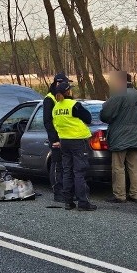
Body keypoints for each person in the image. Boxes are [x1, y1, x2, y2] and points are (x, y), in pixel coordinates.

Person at [51, 81, 97, 211]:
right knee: (79, 172)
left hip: (64, 141)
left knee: (67, 171)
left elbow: (56, 125)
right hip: (77, 141)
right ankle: (83, 202)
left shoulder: (56, 108)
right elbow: (88, 118)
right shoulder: (74, 105)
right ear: (68, 92)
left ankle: (68, 202)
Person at [100, 71, 137, 203]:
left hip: (120, 135)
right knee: (133, 166)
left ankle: (120, 195)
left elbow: (105, 114)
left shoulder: (119, 94)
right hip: (136, 135)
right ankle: (135, 194)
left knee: (118, 166)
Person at [43, 72, 69, 202]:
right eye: (63, 83)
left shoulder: (65, 97)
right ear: (57, 83)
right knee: (56, 164)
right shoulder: (49, 99)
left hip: (67, 136)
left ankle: (66, 191)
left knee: (65, 166)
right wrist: (54, 139)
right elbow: (47, 121)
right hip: (56, 137)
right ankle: (57, 192)